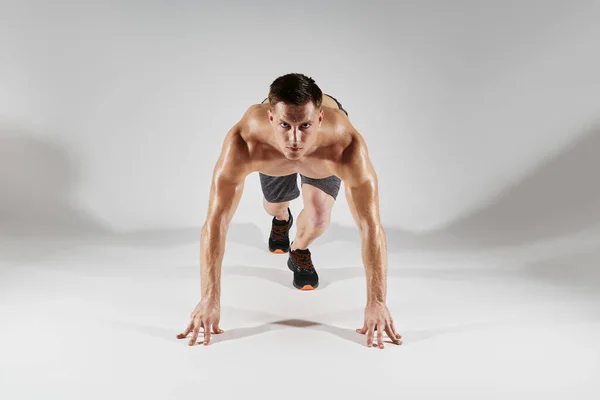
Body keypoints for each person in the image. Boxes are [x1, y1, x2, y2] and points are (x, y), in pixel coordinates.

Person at [177, 73, 402, 349]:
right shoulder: (246, 141)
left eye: (305, 125)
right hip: (271, 156)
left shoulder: (344, 144)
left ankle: (299, 249)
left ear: (319, 119)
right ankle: (281, 218)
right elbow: (216, 220)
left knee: (319, 217)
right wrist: (208, 299)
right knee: (273, 204)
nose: (295, 139)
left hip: (322, 157)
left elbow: (371, 225)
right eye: (285, 124)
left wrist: (377, 303)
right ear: (271, 118)